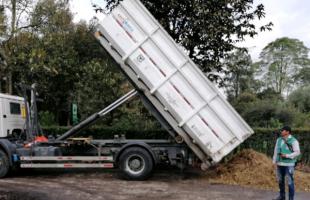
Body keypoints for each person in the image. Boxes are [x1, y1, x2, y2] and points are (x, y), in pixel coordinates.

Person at [272, 126, 300, 200]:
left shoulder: (294, 141)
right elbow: (275, 151)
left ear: (287, 132)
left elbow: (297, 152)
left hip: (289, 165)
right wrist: (274, 161)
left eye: (283, 130)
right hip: (279, 164)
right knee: (280, 181)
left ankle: (291, 198)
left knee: (290, 182)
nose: (281, 131)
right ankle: (282, 196)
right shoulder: (279, 140)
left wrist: (287, 155)